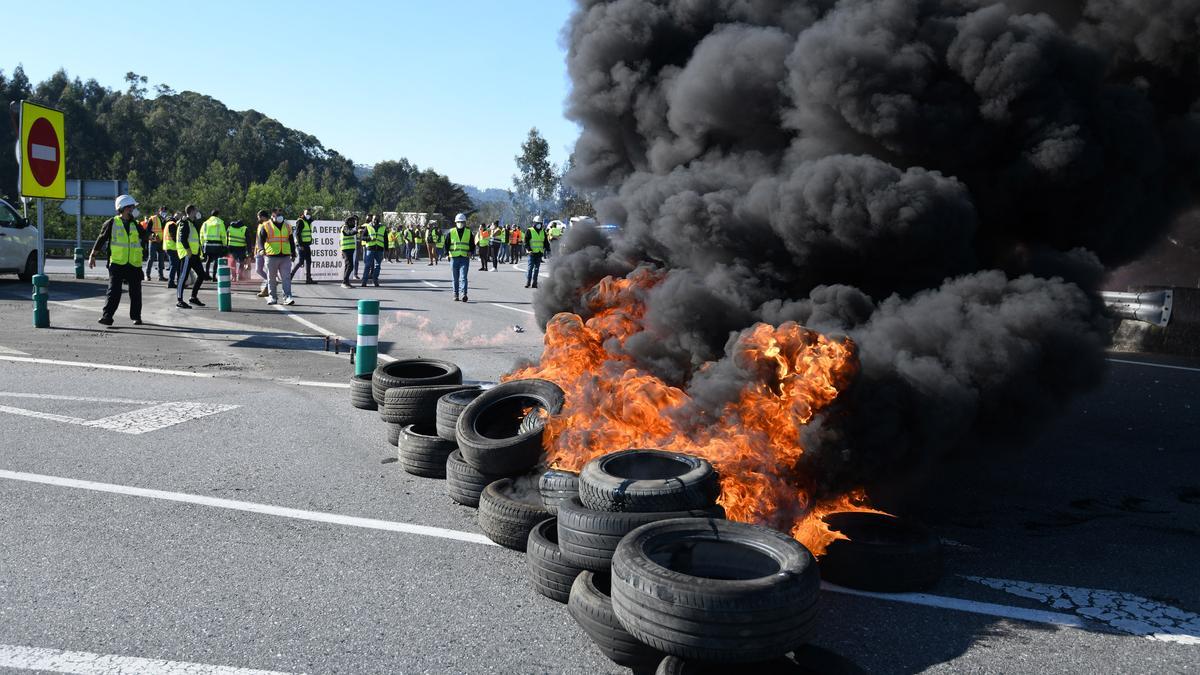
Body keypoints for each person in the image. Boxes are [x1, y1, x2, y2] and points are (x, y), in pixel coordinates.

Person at [88, 195, 148, 326]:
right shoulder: (112, 222)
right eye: (130, 207)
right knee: (114, 291)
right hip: (117, 263)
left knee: (136, 292)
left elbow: (145, 237)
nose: (133, 209)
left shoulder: (136, 225)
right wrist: (93, 255)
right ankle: (107, 317)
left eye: (133, 207)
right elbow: (101, 239)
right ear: (123, 208)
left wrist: (151, 235)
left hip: (134, 263)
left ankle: (136, 317)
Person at [257, 209, 296, 305]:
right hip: (271, 256)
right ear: (272, 216)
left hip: (285, 256)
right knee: (271, 278)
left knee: (286, 278)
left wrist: (293, 253)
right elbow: (260, 240)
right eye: (277, 215)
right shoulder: (266, 226)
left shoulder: (287, 226)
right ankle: (272, 297)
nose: (279, 217)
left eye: (280, 215)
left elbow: (291, 241)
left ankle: (288, 297)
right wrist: (261, 249)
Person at [174, 204, 209, 309]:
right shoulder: (185, 223)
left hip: (194, 255)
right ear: (192, 211)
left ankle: (193, 297)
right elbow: (182, 238)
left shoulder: (191, 223)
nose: (197, 212)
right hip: (187, 254)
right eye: (196, 210)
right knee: (183, 277)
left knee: (202, 275)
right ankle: (179, 300)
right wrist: (188, 251)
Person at [448, 213, 473, 302]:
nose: (460, 223)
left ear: (465, 222)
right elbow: (447, 244)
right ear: (456, 222)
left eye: (462, 222)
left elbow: (472, 244)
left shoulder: (468, 232)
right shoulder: (451, 232)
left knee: (463, 277)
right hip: (454, 258)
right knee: (455, 278)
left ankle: (464, 294)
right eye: (459, 222)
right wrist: (447, 254)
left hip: (464, 258)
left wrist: (471, 252)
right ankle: (455, 294)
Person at [142, 206, 169, 281]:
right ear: (159, 211)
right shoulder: (153, 218)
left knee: (161, 259)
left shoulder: (165, 220)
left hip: (161, 241)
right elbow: (148, 231)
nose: (164, 212)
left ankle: (161, 276)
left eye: (165, 211)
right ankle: (147, 275)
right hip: (153, 241)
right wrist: (154, 235)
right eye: (162, 211)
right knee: (151, 258)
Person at [290, 208, 316, 284]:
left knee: (309, 261)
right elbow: (297, 234)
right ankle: (290, 276)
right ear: (303, 213)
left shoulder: (309, 221)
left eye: (309, 213)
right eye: (306, 213)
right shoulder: (300, 221)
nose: (308, 214)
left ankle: (308, 279)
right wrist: (300, 245)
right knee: (301, 262)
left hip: (307, 244)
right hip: (301, 244)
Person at [200, 209, 227, 280]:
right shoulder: (220, 222)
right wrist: (224, 244)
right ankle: (214, 277)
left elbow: (201, 234)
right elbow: (223, 234)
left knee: (208, 260)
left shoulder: (205, 223)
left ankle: (206, 275)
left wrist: (202, 244)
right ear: (218, 215)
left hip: (207, 244)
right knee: (216, 260)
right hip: (217, 244)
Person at [360, 214, 385, 287]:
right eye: (374, 219)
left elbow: (385, 239)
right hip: (370, 248)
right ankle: (364, 281)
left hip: (379, 249)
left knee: (377, 266)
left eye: (377, 219)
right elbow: (363, 237)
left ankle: (375, 280)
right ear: (372, 219)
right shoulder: (368, 227)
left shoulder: (383, 227)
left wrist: (386, 249)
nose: (376, 220)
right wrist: (370, 239)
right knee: (367, 265)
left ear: (379, 220)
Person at [524, 215, 547, 289]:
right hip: (532, 253)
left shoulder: (543, 231)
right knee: (530, 268)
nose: (539, 224)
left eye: (540, 223)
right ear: (534, 223)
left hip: (539, 253)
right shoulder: (529, 230)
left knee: (536, 269)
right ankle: (528, 282)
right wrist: (529, 249)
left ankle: (534, 283)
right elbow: (526, 242)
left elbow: (546, 242)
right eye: (538, 223)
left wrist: (549, 249)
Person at [340, 215, 359, 288]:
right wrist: (356, 231)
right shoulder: (345, 227)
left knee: (348, 266)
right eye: (352, 222)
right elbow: (348, 233)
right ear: (348, 222)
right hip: (346, 249)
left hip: (350, 249)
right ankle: (344, 282)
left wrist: (357, 224)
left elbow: (353, 231)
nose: (353, 223)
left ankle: (346, 282)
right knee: (350, 266)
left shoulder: (348, 227)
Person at [163, 210, 181, 287]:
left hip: (168, 247)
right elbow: (174, 237)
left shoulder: (168, 224)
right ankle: (171, 282)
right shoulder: (172, 224)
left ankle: (176, 281)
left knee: (175, 265)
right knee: (174, 265)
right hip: (173, 247)